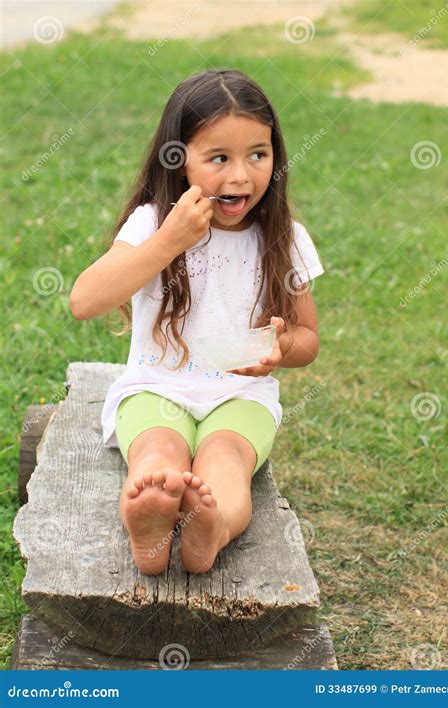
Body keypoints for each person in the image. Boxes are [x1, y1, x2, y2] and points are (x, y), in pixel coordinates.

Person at [69, 68, 324, 577]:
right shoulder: (152, 224)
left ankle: (212, 526)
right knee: (158, 457)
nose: (240, 176)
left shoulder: (285, 235)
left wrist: (281, 349)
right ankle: (149, 523)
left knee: (224, 461)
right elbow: (85, 301)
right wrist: (169, 241)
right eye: (218, 158)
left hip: (240, 395)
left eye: (258, 153)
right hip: (155, 386)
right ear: (177, 160)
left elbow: (308, 338)